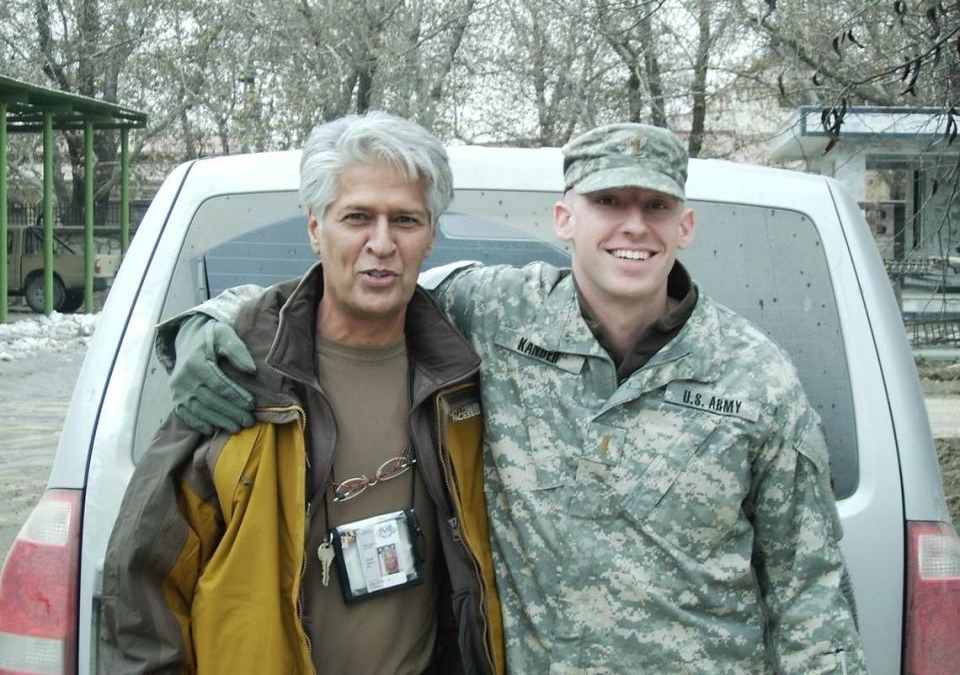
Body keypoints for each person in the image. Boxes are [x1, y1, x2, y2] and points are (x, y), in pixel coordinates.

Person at [163, 122, 867, 673]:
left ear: (684, 226)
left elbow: (809, 590)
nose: (633, 225)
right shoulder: (495, 316)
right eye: (608, 202)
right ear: (566, 219)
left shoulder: (755, 376)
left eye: (655, 206)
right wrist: (215, 320)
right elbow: (354, 288)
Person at [99, 112, 505, 675]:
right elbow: (143, 582)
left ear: (430, 234)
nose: (381, 243)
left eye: (405, 220)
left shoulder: (471, 378)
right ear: (316, 227)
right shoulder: (236, 371)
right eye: (357, 217)